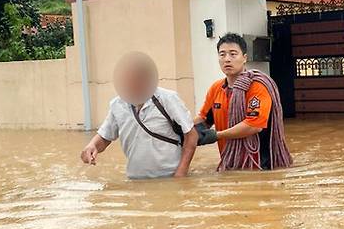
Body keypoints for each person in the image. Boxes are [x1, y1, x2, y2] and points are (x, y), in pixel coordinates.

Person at [80, 52, 198, 178]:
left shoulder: (167, 99)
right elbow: (105, 137)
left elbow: (191, 135)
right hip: (136, 181)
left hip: (170, 177)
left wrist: (181, 173)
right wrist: (92, 146)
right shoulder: (117, 105)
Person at [195, 33, 292, 171]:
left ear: (244, 58)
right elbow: (204, 119)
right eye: (222, 54)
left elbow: (253, 125)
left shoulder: (258, 87)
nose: (227, 59)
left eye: (233, 54)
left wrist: (217, 135)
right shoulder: (216, 88)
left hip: (259, 165)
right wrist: (183, 128)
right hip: (230, 162)